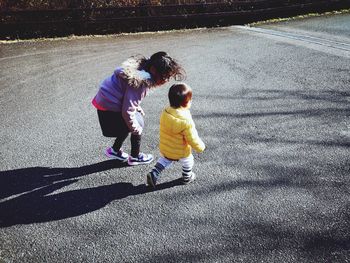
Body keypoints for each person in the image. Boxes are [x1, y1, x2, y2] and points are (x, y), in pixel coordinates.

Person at [92, 52, 185, 166]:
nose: (166, 80)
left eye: (169, 77)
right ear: (154, 70)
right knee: (137, 122)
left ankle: (115, 150)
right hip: (109, 109)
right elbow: (127, 111)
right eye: (165, 76)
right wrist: (136, 129)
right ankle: (135, 157)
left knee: (134, 118)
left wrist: (136, 107)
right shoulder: (141, 82)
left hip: (105, 103)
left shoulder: (139, 70)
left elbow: (125, 94)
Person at [147, 83, 205, 188]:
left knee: (165, 159)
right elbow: (192, 138)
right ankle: (187, 177)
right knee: (188, 160)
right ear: (185, 103)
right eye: (190, 100)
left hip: (166, 147)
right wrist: (200, 147)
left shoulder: (165, 112)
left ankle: (154, 172)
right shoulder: (185, 120)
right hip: (181, 151)